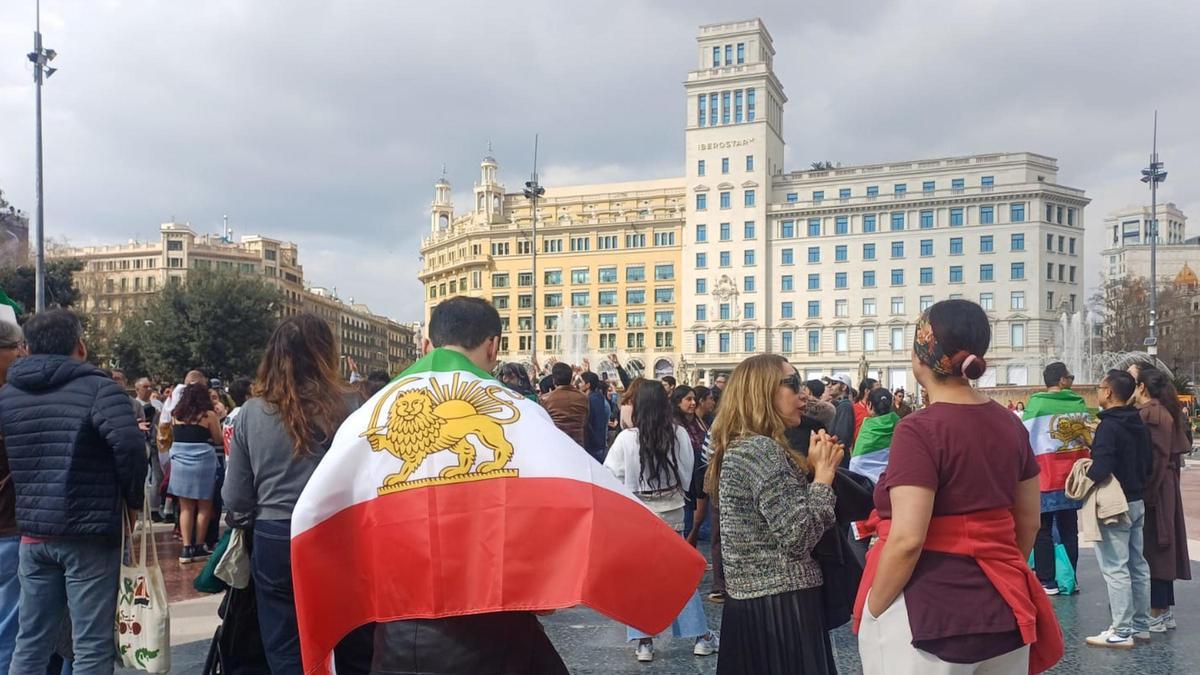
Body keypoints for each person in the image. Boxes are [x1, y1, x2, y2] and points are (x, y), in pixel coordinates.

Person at [855, 300, 1061, 674]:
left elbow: (907, 541)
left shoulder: (919, 429)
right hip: (1004, 605)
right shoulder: (1010, 425)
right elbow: (1028, 523)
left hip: (927, 609)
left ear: (922, 354)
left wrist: (873, 608)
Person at [367, 297, 567, 673]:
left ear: (427, 346)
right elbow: (545, 513)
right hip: (495, 626)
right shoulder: (526, 416)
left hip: (398, 631)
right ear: (493, 346)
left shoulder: (370, 417)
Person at [224, 314, 374, 673]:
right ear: (326, 353)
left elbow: (236, 499)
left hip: (275, 538)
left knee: (284, 645)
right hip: (340, 536)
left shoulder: (250, 413)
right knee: (351, 640)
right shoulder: (354, 405)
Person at [0, 309, 147, 674]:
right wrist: (131, 502)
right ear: (80, 345)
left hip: (33, 532)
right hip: (89, 533)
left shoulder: (9, 395)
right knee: (91, 645)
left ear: (27, 348)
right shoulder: (101, 389)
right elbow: (130, 448)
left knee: (31, 639)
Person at [705, 354, 841, 674]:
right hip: (780, 608)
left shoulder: (745, 446)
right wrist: (823, 477)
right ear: (761, 391)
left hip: (758, 605)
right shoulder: (760, 450)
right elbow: (798, 536)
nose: (803, 394)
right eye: (793, 384)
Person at [604, 384, 716, 662]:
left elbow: (611, 475)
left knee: (640, 579)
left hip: (638, 515)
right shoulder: (678, 434)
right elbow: (688, 473)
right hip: (673, 512)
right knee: (680, 578)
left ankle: (643, 641)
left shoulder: (626, 439)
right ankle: (700, 635)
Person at [1083, 369, 1153, 648]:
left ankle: (1121, 630)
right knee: (1137, 565)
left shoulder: (1109, 426)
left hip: (1114, 505)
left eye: (1100, 387)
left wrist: (1082, 481)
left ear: (1109, 392)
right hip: (1136, 500)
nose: (1098, 392)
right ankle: (1141, 626)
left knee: (1115, 567)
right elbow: (1148, 463)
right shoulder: (1138, 422)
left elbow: (1102, 466)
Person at [1024, 361, 1093, 595]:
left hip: (1044, 475)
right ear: (1062, 380)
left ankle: (1047, 580)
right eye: (1069, 377)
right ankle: (1070, 577)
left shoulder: (1037, 404)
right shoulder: (1077, 403)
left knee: (1042, 529)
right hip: (1072, 476)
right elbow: (1087, 438)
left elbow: (1024, 437)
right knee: (1069, 528)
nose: (1071, 381)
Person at [1134, 366, 1192, 631]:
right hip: (1163, 487)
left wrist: (1146, 493)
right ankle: (1163, 609)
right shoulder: (1160, 411)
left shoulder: (1152, 414)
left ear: (1142, 387)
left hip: (1156, 490)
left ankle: (1157, 611)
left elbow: (1155, 459)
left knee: (1157, 545)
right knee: (1161, 544)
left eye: (1133, 382)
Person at [169, 383, 223, 563]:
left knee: (185, 507)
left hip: (180, 461)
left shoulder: (176, 415)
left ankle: (186, 548)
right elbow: (218, 439)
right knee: (204, 505)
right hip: (203, 462)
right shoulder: (208, 415)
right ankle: (199, 545)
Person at [0, 321, 25, 674]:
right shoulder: (13, 401)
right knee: (10, 626)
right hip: (9, 524)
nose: (22, 353)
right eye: (17, 347)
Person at [671, 386, 709, 546]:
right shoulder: (674, 424)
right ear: (678, 402)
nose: (693, 403)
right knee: (685, 521)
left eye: (694, 399)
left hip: (697, 476)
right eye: (688, 399)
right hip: (682, 479)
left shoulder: (696, 421)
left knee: (692, 521)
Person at [540, 362, 589, 447]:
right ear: (571, 379)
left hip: (556, 444)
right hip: (577, 446)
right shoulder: (583, 398)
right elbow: (585, 421)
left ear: (554, 379)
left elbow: (543, 424)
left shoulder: (545, 399)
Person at [580, 371, 610, 462]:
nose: (578, 384)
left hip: (593, 446)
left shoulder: (590, 400)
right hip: (600, 444)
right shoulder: (599, 398)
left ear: (587, 385)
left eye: (581, 381)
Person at [825, 373, 857, 455]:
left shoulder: (845, 406)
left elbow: (841, 437)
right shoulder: (839, 405)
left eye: (834, 383)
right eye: (829, 383)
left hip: (838, 455)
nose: (829, 386)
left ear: (844, 387)